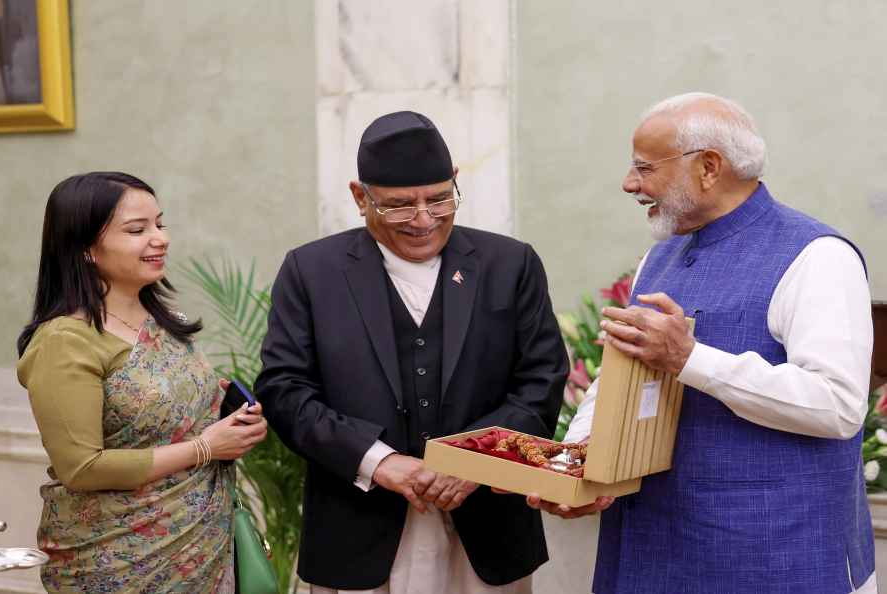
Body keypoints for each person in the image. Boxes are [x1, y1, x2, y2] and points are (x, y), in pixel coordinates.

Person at [534, 92, 876, 593]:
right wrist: (584, 458)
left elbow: (839, 406)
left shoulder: (818, 256)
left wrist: (691, 359)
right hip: (649, 550)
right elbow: (623, 373)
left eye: (644, 168)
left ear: (709, 167)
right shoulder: (662, 254)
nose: (630, 184)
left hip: (772, 555)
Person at [255, 111, 569, 593]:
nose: (424, 220)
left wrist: (470, 462)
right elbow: (285, 390)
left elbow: (542, 381)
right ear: (360, 197)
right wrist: (378, 461)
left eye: (440, 199)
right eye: (400, 206)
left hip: (486, 528)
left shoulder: (511, 263)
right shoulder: (310, 271)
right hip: (358, 528)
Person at [16, 172, 268, 593]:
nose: (160, 238)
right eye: (137, 229)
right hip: (119, 561)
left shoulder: (165, 324)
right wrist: (206, 447)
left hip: (204, 546)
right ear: (85, 249)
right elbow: (80, 467)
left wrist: (232, 418)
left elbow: (163, 410)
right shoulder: (66, 341)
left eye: (159, 223)